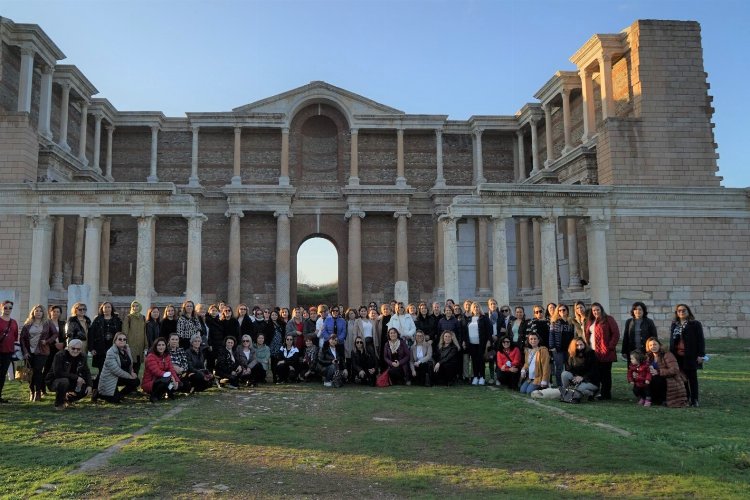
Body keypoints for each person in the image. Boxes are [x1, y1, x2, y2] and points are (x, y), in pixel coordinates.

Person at [669, 304, 705, 407]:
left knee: (692, 378)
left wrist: (701, 355)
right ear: (676, 313)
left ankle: (695, 400)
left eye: (683, 310)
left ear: (688, 311)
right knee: (682, 377)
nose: (681, 312)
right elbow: (672, 341)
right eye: (679, 311)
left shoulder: (695, 324)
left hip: (691, 355)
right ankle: (686, 398)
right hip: (677, 355)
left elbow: (700, 340)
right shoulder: (674, 324)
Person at [20, 304, 56, 401]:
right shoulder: (28, 324)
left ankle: (38, 392)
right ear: (33, 312)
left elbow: (55, 334)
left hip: (42, 351)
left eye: (40, 311)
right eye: (36, 311)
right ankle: (32, 391)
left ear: (43, 313)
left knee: (38, 371)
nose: (38, 313)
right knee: (30, 372)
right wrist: (25, 352)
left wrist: (47, 341)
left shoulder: (47, 323)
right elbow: (22, 339)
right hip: (29, 351)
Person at [585, 302, 620, 401]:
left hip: (605, 352)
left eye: (597, 309)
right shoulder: (591, 321)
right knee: (595, 374)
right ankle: (595, 392)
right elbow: (587, 334)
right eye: (594, 310)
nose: (596, 312)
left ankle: (606, 394)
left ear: (601, 309)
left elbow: (616, 334)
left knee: (605, 375)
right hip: (593, 352)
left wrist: (610, 347)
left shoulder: (608, 319)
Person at [46, 339, 92, 410]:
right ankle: (59, 404)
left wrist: (89, 385)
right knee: (64, 381)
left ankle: (68, 399)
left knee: (86, 388)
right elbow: (58, 373)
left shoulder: (82, 357)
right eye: (73, 348)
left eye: (78, 349)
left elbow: (86, 371)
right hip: (55, 380)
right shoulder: (60, 355)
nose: (75, 351)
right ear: (68, 347)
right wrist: (77, 378)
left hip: (72, 381)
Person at [95, 333, 140, 404]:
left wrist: (131, 372)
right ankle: (98, 393)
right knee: (115, 401)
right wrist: (129, 376)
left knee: (136, 381)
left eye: (124, 339)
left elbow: (129, 364)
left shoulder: (127, 349)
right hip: (110, 379)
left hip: (121, 377)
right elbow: (116, 370)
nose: (122, 341)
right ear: (115, 340)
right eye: (120, 339)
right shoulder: (111, 352)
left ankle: (120, 395)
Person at [646, 337, 687, 408]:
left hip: (670, 379)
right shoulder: (648, 356)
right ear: (648, 347)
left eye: (655, 344)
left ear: (659, 345)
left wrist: (658, 372)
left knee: (656, 379)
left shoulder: (667, 354)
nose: (653, 347)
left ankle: (663, 399)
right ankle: (648, 397)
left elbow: (674, 369)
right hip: (654, 378)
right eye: (651, 345)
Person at [89, 302, 122, 387]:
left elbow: (120, 334)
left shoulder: (117, 320)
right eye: (105, 307)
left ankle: (109, 387)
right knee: (101, 369)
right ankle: (96, 388)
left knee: (112, 369)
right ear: (102, 309)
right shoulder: (97, 320)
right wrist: (91, 348)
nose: (107, 309)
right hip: (100, 348)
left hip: (113, 348)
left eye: (109, 307)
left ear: (112, 309)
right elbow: (91, 334)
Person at [141, 337, 180, 403]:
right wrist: (171, 377)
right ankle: (154, 396)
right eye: (159, 345)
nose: (161, 347)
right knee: (166, 379)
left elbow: (171, 369)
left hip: (162, 380)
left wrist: (176, 381)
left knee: (180, 384)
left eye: (163, 345)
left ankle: (167, 393)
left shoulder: (166, 356)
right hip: (151, 382)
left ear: (165, 346)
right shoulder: (151, 356)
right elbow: (156, 372)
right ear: (155, 346)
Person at [465, 302, 493, 386]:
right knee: (474, 360)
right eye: (474, 307)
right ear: (472, 309)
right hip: (471, 343)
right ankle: (476, 376)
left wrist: (489, 341)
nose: (476, 309)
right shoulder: (469, 318)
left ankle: (482, 377)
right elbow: (466, 331)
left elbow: (489, 330)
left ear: (479, 308)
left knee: (481, 360)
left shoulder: (484, 318)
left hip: (481, 343)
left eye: (477, 307)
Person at [549, 303, 576, 388]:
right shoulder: (554, 322)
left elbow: (573, 335)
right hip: (558, 349)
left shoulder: (571, 322)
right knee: (559, 368)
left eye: (564, 310)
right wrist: (552, 347)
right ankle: (559, 385)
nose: (562, 311)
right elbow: (551, 335)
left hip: (569, 349)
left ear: (567, 311)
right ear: (557, 312)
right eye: (560, 310)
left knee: (569, 367)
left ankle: (568, 384)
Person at [42, 305, 66, 396]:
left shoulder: (63, 323)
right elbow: (44, 336)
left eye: (58, 312)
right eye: (54, 311)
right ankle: (42, 389)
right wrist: (54, 344)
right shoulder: (46, 323)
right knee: (47, 369)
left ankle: (56, 387)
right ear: (50, 312)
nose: (56, 313)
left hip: (60, 349)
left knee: (58, 369)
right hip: (49, 348)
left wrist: (63, 344)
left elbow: (66, 336)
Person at [122, 301, 147, 373]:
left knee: (138, 365)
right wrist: (124, 344)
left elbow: (144, 332)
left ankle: (135, 381)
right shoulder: (128, 317)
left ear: (140, 307)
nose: (135, 308)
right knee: (130, 364)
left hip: (140, 345)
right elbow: (125, 331)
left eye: (137, 306)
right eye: (133, 306)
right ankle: (130, 381)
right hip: (131, 344)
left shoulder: (143, 317)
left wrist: (146, 345)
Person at [268, 310, 285, 383]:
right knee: (273, 361)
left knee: (279, 361)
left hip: (280, 345)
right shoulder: (268, 324)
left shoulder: (281, 324)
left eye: (275, 315)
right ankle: (274, 377)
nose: (274, 316)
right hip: (272, 345)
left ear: (278, 316)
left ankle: (279, 376)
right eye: (272, 315)